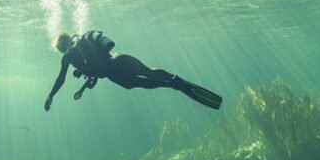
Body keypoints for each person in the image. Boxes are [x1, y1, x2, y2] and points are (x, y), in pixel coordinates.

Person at [43, 31, 222, 111]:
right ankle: (173, 80)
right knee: (148, 71)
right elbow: (95, 72)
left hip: (114, 70)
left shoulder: (68, 58)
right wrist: (82, 89)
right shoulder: (81, 49)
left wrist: (51, 96)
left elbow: (61, 79)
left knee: (136, 82)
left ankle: (172, 84)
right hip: (120, 58)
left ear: (61, 47)